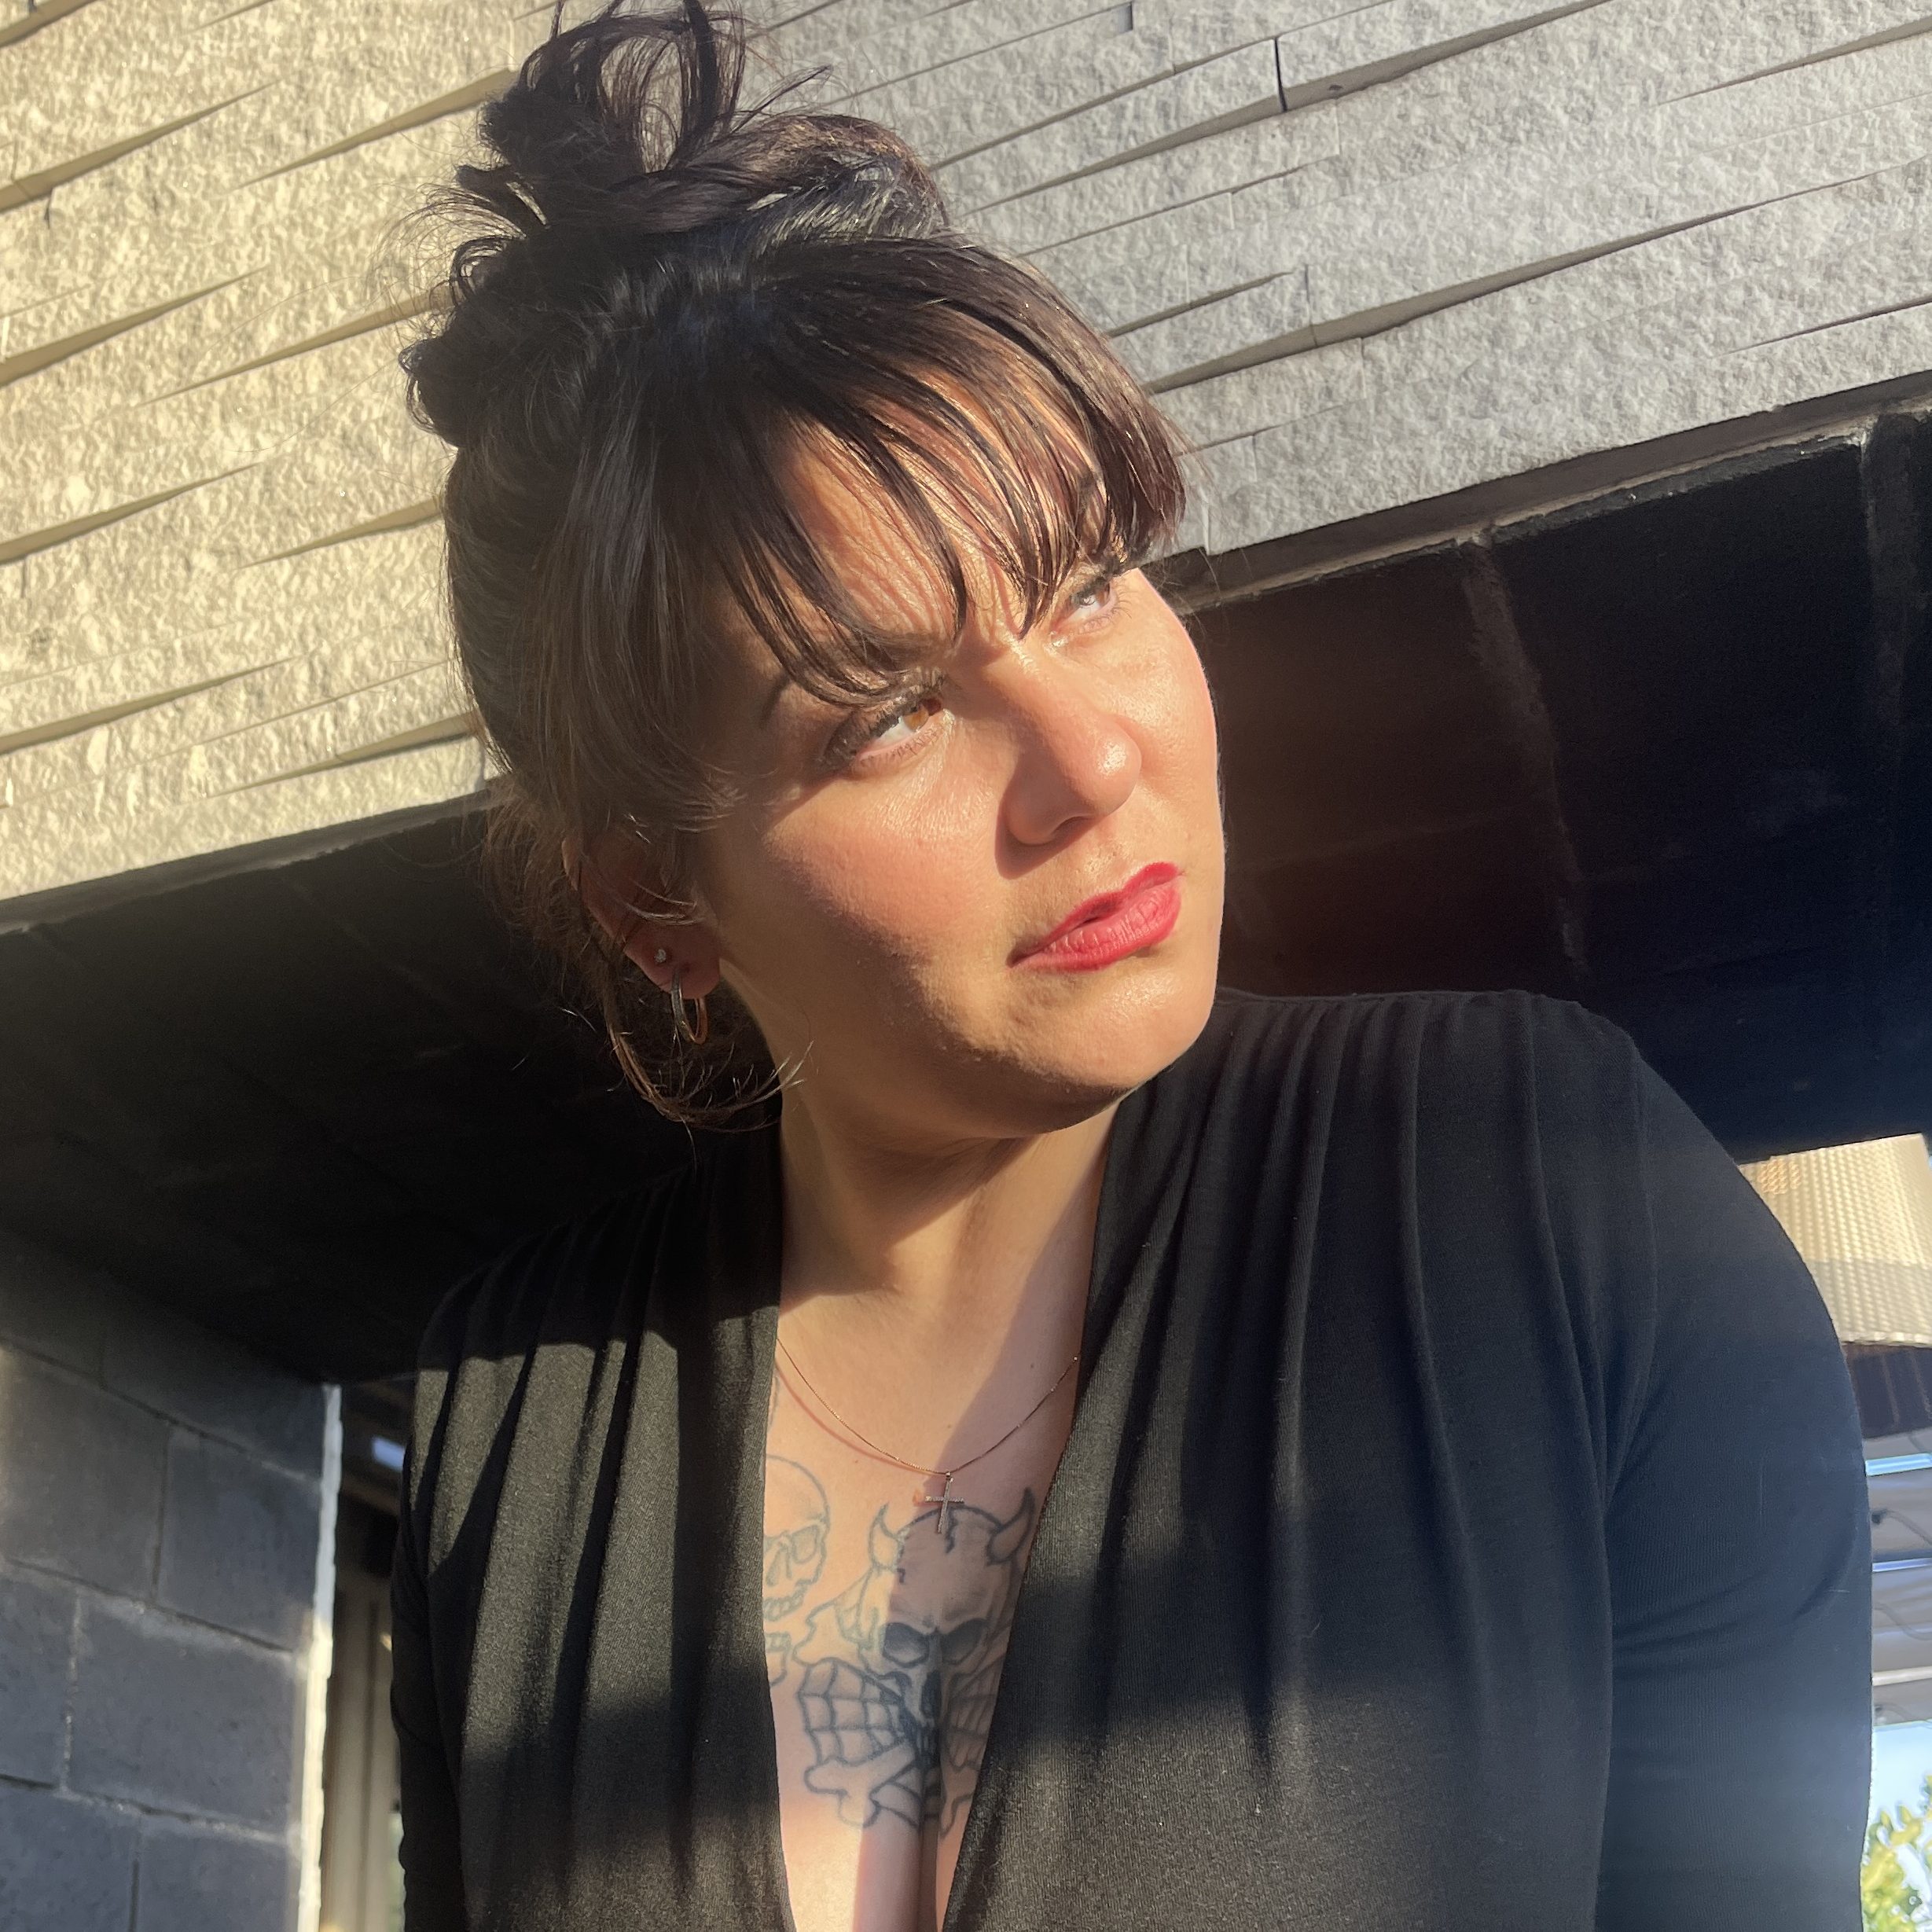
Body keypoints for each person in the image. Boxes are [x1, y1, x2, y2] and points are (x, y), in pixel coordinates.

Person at [385, 3, 1874, 1927]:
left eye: (1089, 584)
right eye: (888, 712)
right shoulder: (508, 1416)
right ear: (657, 900)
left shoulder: (1539, 1190)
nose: (1090, 758)